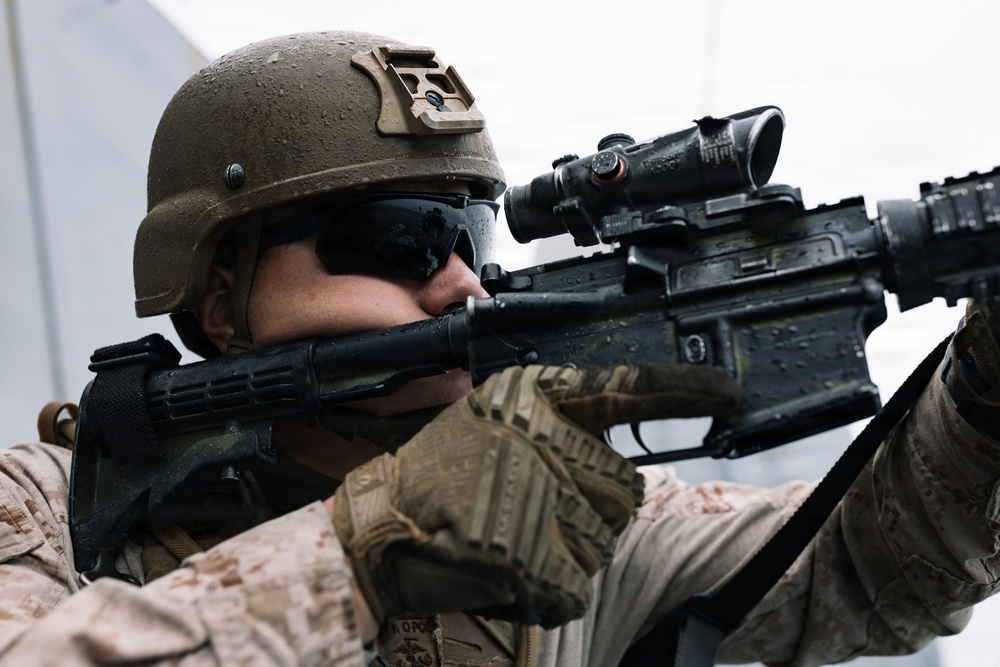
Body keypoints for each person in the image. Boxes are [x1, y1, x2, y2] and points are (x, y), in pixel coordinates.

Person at [1, 30, 999, 667]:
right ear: (223, 299)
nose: (457, 281)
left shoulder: (556, 510)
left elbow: (876, 565)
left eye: (467, 237)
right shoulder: (45, 507)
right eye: (396, 237)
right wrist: (363, 552)